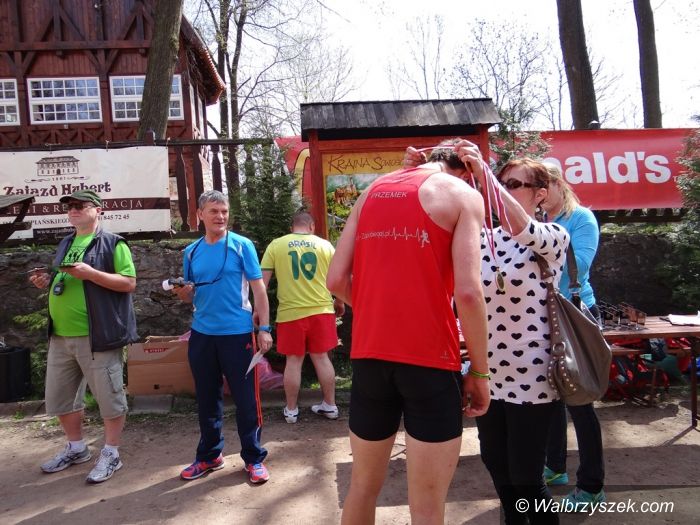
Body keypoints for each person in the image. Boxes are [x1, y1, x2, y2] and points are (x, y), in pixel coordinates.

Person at [327, 139, 491, 525]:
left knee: (362, 487)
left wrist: (382, 311)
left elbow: (335, 279)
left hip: (370, 358)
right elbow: (469, 294)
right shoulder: (462, 194)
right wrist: (480, 372)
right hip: (431, 360)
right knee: (428, 506)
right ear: (467, 170)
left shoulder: (371, 191)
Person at [404, 146, 569, 524]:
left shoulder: (552, 237)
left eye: (513, 185)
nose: (502, 190)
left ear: (540, 194)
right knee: (497, 465)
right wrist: (416, 177)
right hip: (489, 373)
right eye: (501, 183)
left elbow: (523, 228)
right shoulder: (483, 238)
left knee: (527, 476)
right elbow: (428, 232)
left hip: (534, 377)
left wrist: (485, 176)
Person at [29, 189, 137, 484]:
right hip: (60, 335)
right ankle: (77, 448)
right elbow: (65, 277)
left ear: (98, 210)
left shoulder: (113, 243)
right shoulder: (66, 242)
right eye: (69, 207)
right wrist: (48, 280)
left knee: (110, 398)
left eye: (80, 205)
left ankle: (111, 453)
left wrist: (91, 274)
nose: (73, 210)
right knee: (61, 397)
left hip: (98, 335)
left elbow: (128, 283)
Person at [172, 190, 274, 484]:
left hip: (238, 335)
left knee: (246, 400)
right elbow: (189, 295)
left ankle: (253, 458)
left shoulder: (242, 246)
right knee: (207, 398)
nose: (220, 217)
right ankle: (209, 456)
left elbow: (259, 290)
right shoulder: (191, 252)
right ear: (200, 215)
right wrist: (182, 292)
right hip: (202, 335)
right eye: (214, 211)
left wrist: (264, 329)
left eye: (224, 211)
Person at [542, 163, 606, 510]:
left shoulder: (581, 218)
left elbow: (578, 266)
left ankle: (592, 486)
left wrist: (539, 242)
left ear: (556, 184)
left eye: (541, 186)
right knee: (550, 398)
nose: (536, 194)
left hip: (577, 315)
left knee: (580, 403)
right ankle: (555, 467)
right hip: (544, 316)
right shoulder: (536, 219)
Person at [259, 211, 345, 424]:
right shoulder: (325, 246)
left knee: (293, 360)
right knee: (322, 358)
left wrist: (258, 311)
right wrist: (339, 301)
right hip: (322, 311)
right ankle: (330, 405)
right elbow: (338, 278)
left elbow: (262, 285)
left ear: (292, 228)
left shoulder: (277, 245)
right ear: (312, 227)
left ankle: (291, 410)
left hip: (290, 313)